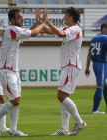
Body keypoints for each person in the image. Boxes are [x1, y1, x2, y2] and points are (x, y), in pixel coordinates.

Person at [0, 8, 48, 136]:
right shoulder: (11, 29)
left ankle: (14, 130)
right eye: (19, 17)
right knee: (14, 100)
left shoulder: (15, 31)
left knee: (16, 101)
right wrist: (43, 22)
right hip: (6, 71)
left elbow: (28, 32)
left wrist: (37, 22)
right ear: (12, 20)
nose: (22, 19)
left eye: (22, 17)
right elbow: (34, 33)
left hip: (13, 71)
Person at [39, 7, 87, 136]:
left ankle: (80, 122)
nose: (63, 17)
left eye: (65, 15)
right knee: (64, 97)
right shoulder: (68, 29)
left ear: (71, 17)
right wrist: (41, 22)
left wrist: (47, 21)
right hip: (68, 66)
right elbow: (50, 31)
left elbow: (60, 34)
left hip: (71, 65)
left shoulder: (75, 29)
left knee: (61, 96)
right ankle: (65, 129)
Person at [85, 22, 107, 114]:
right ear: (104, 28)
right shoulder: (105, 38)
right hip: (102, 63)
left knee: (105, 85)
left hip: (95, 63)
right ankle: (95, 109)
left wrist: (87, 67)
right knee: (101, 85)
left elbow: (89, 53)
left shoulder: (94, 38)